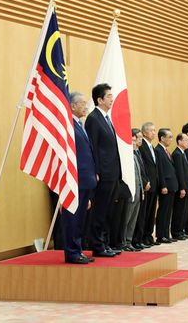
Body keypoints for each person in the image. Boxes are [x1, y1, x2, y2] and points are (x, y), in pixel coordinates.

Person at [85, 83, 121, 257]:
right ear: (99, 100)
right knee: (99, 211)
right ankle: (97, 246)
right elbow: (92, 148)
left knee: (107, 211)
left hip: (112, 173)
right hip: (103, 174)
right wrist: (96, 171)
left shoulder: (106, 118)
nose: (112, 99)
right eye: (108, 96)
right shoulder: (93, 119)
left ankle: (105, 243)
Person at [61, 91, 97, 264]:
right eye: (82, 103)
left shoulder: (80, 124)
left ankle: (78, 250)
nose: (86, 106)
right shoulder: (68, 126)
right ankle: (72, 253)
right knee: (72, 219)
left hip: (85, 180)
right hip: (74, 180)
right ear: (73, 106)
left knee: (80, 219)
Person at [122, 130, 145, 252]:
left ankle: (129, 240)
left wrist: (141, 189)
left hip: (138, 191)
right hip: (130, 192)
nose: (135, 143)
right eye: (132, 140)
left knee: (133, 218)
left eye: (135, 140)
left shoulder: (135, 155)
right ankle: (123, 241)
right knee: (126, 217)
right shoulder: (125, 157)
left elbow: (139, 175)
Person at [137, 122, 158, 248]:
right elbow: (142, 166)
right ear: (144, 132)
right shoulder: (142, 146)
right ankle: (143, 237)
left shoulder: (151, 146)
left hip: (154, 185)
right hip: (147, 185)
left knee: (151, 213)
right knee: (144, 213)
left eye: (154, 130)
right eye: (151, 130)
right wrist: (145, 182)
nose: (154, 133)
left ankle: (149, 235)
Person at [155, 128, 178, 243]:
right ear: (162, 138)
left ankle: (166, 234)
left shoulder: (166, 151)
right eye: (169, 137)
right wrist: (163, 185)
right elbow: (160, 170)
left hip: (171, 185)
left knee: (168, 212)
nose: (171, 139)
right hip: (165, 186)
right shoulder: (158, 150)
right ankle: (161, 235)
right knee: (163, 211)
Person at [171, 133, 188, 240]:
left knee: (184, 211)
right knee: (179, 211)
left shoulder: (183, 153)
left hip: (187, 186)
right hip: (182, 188)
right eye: (186, 140)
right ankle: (176, 232)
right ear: (179, 142)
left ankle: (181, 230)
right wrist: (182, 188)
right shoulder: (177, 154)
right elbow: (179, 173)